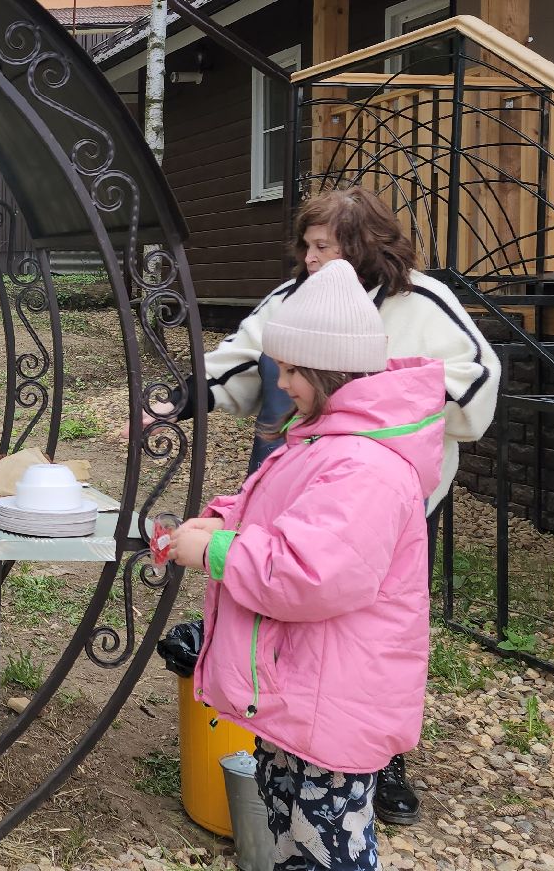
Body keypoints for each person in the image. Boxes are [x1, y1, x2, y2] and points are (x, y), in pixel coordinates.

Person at [141, 185, 500, 826]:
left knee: (362, 632)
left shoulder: (424, 304)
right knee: (295, 619)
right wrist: (176, 399)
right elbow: (242, 362)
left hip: (382, 499)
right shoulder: (294, 303)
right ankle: (286, 731)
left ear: (363, 246)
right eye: (305, 245)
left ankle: (369, 760)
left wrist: (372, 395)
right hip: (298, 489)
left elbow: (473, 382)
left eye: (322, 245)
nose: (310, 258)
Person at [166, 258, 439, 871]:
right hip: (308, 696)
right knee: (289, 836)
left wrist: (212, 551)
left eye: (290, 369)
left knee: (325, 854)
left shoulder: (366, 465)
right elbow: (285, 509)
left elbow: (310, 573)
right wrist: (225, 519)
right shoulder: (330, 440)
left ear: (328, 368)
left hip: (333, 705)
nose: (281, 381)